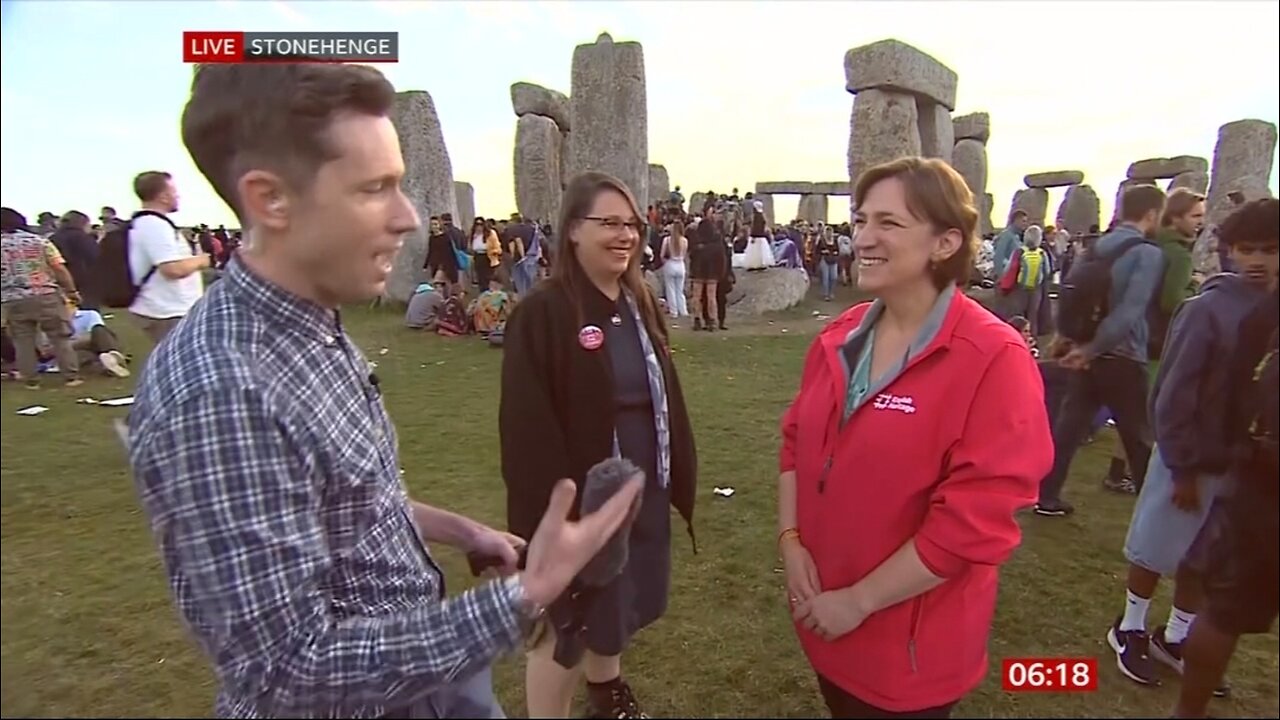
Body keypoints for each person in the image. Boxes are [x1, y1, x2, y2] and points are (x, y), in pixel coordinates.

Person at [128, 62, 643, 719]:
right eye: (374, 189)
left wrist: (457, 529)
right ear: (270, 200)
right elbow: (287, 673)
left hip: (425, 675)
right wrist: (525, 595)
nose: (408, 218)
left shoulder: (307, 325)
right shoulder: (221, 392)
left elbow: (342, 496)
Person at [777, 157, 1052, 719]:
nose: (863, 238)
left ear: (945, 242)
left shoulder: (994, 359)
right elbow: (794, 441)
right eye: (860, 220)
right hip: (824, 618)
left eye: (889, 223)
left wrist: (859, 601)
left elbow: (974, 523)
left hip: (907, 650)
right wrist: (791, 540)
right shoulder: (839, 336)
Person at [500, 171, 699, 719]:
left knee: (617, 603)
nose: (625, 235)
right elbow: (525, 428)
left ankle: (606, 694)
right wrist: (552, 520)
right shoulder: (543, 312)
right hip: (579, 507)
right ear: (572, 230)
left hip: (641, 492)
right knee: (566, 626)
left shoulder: (639, 300)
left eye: (631, 224)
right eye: (609, 223)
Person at [1109, 197, 1276, 690]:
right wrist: (1181, 464)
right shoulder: (1206, 309)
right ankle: (1130, 625)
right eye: (1247, 248)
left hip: (1242, 460)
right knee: (1156, 547)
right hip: (1191, 453)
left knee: (1204, 557)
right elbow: (1173, 392)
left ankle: (1177, 635)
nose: (1258, 260)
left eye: (1271, 249)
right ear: (1229, 250)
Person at [1036, 184, 1168, 516]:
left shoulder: (1098, 247)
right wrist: (1094, 349)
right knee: (1138, 436)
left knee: (1068, 429)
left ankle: (1046, 496)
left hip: (1085, 349)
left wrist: (1069, 337)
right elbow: (1130, 310)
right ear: (1152, 214)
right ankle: (1152, 512)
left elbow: (1070, 290)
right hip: (1122, 354)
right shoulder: (1147, 253)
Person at [1, 207, 83, 389]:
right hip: (45, 294)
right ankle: (71, 376)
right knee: (60, 337)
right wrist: (71, 291)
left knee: (23, 341)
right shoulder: (39, 241)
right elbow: (59, 268)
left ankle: (31, 380)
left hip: (11, 298)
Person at [127, 170, 209, 345]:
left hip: (166, 309)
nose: (178, 196)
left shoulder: (149, 223)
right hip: (167, 311)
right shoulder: (155, 225)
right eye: (174, 191)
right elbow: (172, 269)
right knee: (183, 359)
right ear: (163, 197)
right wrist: (201, 260)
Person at [661, 220, 690, 319]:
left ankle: (674, 311)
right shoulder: (685, 240)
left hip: (671, 263)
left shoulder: (667, 240)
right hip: (680, 264)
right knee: (679, 289)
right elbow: (684, 255)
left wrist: (665, 262)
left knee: (670, 289)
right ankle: (683, 310)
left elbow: (662, 255)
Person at [815, 226, 840, 301]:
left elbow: (838, 249)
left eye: (830, 232)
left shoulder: (835, 240)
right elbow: (817, 250)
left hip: (833, 260)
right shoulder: (821, 240)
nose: (829, 233)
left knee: (834, 277)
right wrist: (822, 251)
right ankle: (826, 294)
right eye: (827, 232)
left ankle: (831, 292)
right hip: (824, 259)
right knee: (825, 277)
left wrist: (836, 252)